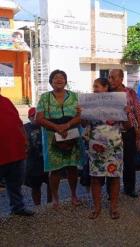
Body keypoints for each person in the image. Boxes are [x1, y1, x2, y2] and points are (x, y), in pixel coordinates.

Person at [36, 70, 83, 209]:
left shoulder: (75, 96)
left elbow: (81, 115)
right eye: (55, 78)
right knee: (54, 169)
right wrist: (57, 127)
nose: (59, 80)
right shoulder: (44, 97)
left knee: (72, 167)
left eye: (62, 78)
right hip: (52, 137)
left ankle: (74, 195)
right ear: (51, 82)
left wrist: (67, 125)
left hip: (72, 134)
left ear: (65, 81)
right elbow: (39, 118)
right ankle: (55, 198)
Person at [82, 78, 124, 219]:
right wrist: (80, 113)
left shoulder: (117, 102)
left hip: (115, 146)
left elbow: (128, 126)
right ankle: (97, 207)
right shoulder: (90, 103)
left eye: (97, 86)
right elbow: (83, 123)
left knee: (114, 177)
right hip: (96, 146)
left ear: (106, 87)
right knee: (95, 178)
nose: (94, 89)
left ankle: (114, 207)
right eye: (93, 86)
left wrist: (126, 112)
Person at [108, 69, 140, 198]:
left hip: (128, 130)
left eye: (113, 77)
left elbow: (138, 110)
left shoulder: (130, 92)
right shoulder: (107, 93)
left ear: (121, 78)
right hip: (111, 132)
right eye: (110, 78)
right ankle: (110, 191)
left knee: (129, 160)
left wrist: (139, 127)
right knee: (111, 160)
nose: (110, 80)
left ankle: (130, 188)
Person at [0, 94, 34, 216]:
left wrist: (25, 139)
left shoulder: (6, 101)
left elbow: (18, 122)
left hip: (16, 151)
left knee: (15, 183)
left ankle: (18, 207)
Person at [24, 107, 51, 205]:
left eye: (37, 115)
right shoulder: (25, 128)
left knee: (51, 184)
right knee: (35, 187)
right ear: (29, 117)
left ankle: (50, 204)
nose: (35, 117)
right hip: (33, 164)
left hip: (47, 162)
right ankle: (37, 206)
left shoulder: (46, 126)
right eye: (33, 116)